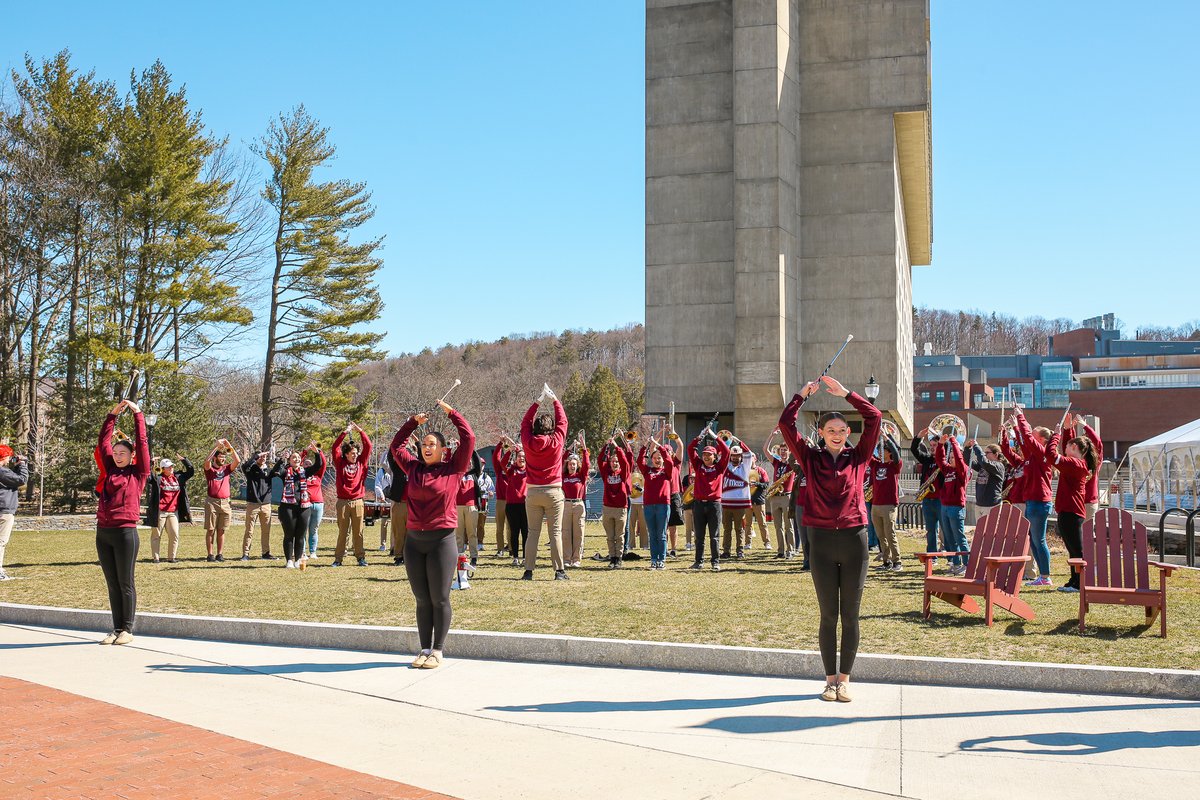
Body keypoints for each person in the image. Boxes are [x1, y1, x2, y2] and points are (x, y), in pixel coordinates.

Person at [778, 375, 881, 703]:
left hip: (855, 541)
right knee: (828, 615)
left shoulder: (859, 457)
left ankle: (845, 681)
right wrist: (802, 396)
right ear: (821, 434)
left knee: (850, 615)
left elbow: (875, 417)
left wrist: (847, 394)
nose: (836, 435)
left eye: (841, 431)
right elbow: (785, 422)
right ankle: (828, 681)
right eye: (830, 431)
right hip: (820, 542)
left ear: (847, 434)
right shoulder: (810, 458)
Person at [390, 400, 475, 669]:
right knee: (422, 599)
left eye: (432, 445)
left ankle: (438, 650)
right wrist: (412, 423)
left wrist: (452, 413)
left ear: (443, 450)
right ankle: (424, 648)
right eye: (424, 445)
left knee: (439, 598)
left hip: (441, 541)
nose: (427, 448)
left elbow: (469, 437)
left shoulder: (453, 468)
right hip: (414, 542)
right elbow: (396, 447)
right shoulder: (412, 468)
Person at [95, 400, 151, 645]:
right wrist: (112, 416)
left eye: (123, 454)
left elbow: (142, 443)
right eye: (116, 453)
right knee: (111, 583)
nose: (117, 456)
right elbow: (103, 442)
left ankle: (127, 629)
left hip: (125, 532)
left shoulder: (138, 473)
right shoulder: (109, 469)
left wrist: (138, 414)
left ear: (131, 456)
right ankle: (116, 629)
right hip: (103, 532)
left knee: (125, 581)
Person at [519, 385, 569, 581]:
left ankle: (528, 571)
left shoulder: (528, 441)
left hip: (532, 492)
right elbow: (563, 421)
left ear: (535, 428)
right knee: (554, 532)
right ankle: (559, 571)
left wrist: (537, 401)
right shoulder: (556, 441)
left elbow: (524, 422)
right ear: (551, 428)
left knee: (532, 533)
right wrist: (555, 400)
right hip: (554, 491)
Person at [1048, 423, 1099, 593]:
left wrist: (1055, 435)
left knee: (1077, 549)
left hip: (1072, 512)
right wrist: (1067, 430)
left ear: (1075, 447)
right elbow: (1062, 451)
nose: (1065, 448)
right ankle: (1073, 580)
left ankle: (1080, 583)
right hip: (1067, 510)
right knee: (1072, 548)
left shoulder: (1076, 464)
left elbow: (1050, 454)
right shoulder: (1074, 463)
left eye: (1068, 446)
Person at [1013, 408, 1054, 586]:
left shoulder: (1043, 453)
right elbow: (1024, 442)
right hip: (1031, 501)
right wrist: (1017, 427)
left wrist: (1021, 417)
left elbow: (1027, 438)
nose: (1031, 437)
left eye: (1034, 434)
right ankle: (1042, 576)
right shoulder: (1031, 456)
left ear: (1042, 440)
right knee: (1034, 540)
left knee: (1039, 539)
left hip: (1039, 501)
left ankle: (1045, 576)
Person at [687, 430, 730, 571]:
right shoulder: (698, 465)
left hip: (714, 505)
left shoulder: (720, 467)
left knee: (714, 536)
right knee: (699, 536)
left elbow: (726, 452)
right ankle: (698, 562)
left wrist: (714, 436)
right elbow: (690, 449)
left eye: (709, 454)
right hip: (699, 504)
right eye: (704, 454)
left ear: (714, 456)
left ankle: (715, 562)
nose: (706, 457)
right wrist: (699, 437)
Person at [332, 422, 372, 567]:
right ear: (346, 454)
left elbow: (369, 446)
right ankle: (338, 559)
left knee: (358, 532)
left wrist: (360, 430)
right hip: (342, 501)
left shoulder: (362, 462)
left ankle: (360, 557)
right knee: (343, 532)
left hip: (358, 501)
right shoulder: (340, 463)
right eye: (352, 453)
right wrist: (345, 431)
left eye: (356, 453)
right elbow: (335, 447)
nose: (355, 455)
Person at [145, 457, 195, 564]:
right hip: (160, 511)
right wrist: (151, 463)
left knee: (174, 535)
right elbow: (147, 476)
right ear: (163, 469)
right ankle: (156, 558)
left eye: (172, 466)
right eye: (168, 467)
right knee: (156, 535)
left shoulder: (178, 477)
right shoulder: (157, 478)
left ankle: (171, 557)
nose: (171, 468)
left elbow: (191, 472)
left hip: (173, 512)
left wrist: (184, 460)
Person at [933, 430, 969, 575]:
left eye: (954, 457)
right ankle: (955, 564)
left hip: (956, 508)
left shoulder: (963, 470)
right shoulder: (947, 470)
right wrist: (941, 444)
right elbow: (940, 460)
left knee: (960, 537)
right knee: (950, 538)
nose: (952, 459)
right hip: (945, 507)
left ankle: (967, 564)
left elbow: (960, 461)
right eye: (951, 457)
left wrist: (954, 442)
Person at [271, 448, 314, 569]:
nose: (296, 459)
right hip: (287, 507)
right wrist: (281, 459)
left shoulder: (304, 472)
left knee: (300, 535)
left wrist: (317, 452)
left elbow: (319, 465)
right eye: (293, 457)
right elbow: (275, 471)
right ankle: (289, 560)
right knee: (289, 534)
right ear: (290, 460)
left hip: (303, 507)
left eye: (298, 458)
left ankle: (298, 559)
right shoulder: (285, 472)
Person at [638, 437, 677, 570]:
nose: (657, 459)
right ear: (651, 459)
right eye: (655, 457)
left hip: (662, 505)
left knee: (661, 534)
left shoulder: (667, 471)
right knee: (652, 534)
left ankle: (662, 560)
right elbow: (639, 460)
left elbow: (670, 462)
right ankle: (654, 559)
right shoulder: (647, 470)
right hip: (649, 505)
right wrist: (646, 445)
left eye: (659, 457)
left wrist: (660, 448)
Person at [869, 436, 903, 571]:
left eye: (883, 450)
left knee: (890, 534)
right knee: (881, 535)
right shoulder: (876, 465)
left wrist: (887, 438)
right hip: (876, 505)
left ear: (889, 452)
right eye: (879, 450)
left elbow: (897, 455)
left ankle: (897, 561)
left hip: (889, 505)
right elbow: (866, 453)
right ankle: (886, 561)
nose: (880, 453)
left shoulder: (894, 466)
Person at [203, 439, 240, 562]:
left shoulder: (226, 469)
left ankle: (220, 554)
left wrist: (229, 446)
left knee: (221, 530)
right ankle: (210, 554)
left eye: (224, 457)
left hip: (225, 503)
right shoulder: (210, 470)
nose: (223, 459)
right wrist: (216, 446)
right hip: (212, 502)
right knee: (211, 529)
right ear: (215, 458)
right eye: (220, 457)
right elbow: (206, 461)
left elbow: (237, 461)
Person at [598, 436, 632, 568]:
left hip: (621, 508)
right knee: (610, 536)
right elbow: (600, 460)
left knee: (619, 535)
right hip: (608, 507)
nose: (615, 463)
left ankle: (619, 558)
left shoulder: (624, 473)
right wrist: (606, 447)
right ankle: (612, 557)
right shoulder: (606, 473)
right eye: (612, 461)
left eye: (616, 461)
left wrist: (617, 448)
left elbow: (624, 461)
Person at [495, 439, 528, 567]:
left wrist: (525, 449)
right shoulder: (511, 470)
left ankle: (525, 556)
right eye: (519, 456)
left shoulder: (528, 469)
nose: (522, 459)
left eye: (523, 457)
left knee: (525, 532)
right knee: (514, 532)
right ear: (516, 458)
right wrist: (511, 450)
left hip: (525, 505)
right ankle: (515, 557)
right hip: (512, 505)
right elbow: (502, 463)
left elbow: (532, 461)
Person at [910, 432, 943, 562]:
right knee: (930, 530)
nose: (932, 448)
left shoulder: (943, 460)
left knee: (946, 530)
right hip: (927, 499)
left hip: (941, 500)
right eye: (931, 445)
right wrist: (918, 438)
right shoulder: (927, 459)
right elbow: (914, 450)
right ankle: (932, 556)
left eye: (935, 445)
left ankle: (951, 557)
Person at [720, 441, 755, 559]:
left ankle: (740, 550)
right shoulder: (725, 466)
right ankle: (726, 551)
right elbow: (719, 455)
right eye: (733, 455)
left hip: (740, 503)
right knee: (726, 529)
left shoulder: (745, 466)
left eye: (738, 455)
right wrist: (725, 441)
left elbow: (749, 453)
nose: (735, 457)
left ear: (741, 456)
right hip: (726, 502)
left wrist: (740, 442)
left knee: (739, 529)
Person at [0, 445, 30, 580]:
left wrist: (18, 466)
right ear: (4, 457)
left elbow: (12, 478)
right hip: (4, 511)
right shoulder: (2, 472)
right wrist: (22, 465)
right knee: (1, 541)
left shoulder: (4, 472)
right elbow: (21, 480)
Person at [763, 437, 795, 559]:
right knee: (777, 526)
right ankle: (780, 551)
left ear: (789, 451)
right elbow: (765, 449)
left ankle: (790, 550)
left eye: (785, 450)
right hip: (775, 496)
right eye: (781, 450)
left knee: (789, 526)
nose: (783, 452)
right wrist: (771, 435)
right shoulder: (777, 462)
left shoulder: (792, 463)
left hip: (786, 496)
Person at [241, 450, 276, 561]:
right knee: (249, 531)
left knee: (266, 531)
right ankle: (245, 554)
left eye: (265, 456)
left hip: (266, 505)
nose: (263, 458)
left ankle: (265, 553)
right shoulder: (251, 470)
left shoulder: (268, 471)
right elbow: (244, 466)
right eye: (261, 456)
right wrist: (256, 456)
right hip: (253, 504)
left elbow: (279, 469)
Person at [561, 439, 590, 568]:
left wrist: (584, 448)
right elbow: (561, 459)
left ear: (577, 465)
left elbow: (587, 464)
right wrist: (571, 446)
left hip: (579, 505)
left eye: (574, 464)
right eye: (570, 464)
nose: (572, 466)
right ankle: (567, 559)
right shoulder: (563, 476)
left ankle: (576, 559)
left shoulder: (581, 476)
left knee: (578, 533)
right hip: (566, 505)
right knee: (566, 533)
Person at [454, 449, 483, 565]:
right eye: (467, 462)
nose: (469, 464)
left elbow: (478, 463)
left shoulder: (473, 474)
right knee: (459, 534)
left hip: (471, 507)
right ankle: (459, 556)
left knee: (472, 533)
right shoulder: (456, 474)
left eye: (470, 462)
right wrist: (458, 449)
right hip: (457, 507)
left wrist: (471, 449)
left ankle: (474, 556)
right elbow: (453, 461)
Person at [966, 439, 1005, 519]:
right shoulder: (983, 465)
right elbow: (969, 462)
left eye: (987, 453)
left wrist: (976, 446)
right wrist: (967, 448)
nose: (984, 455)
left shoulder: (999, 466)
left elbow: (984, 462)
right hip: (979, 504)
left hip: (992, 505)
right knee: (980, 530)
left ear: (996, 454)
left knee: (990, 530)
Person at [384, 446, 409, 565]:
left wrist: (418, 444)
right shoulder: (397, 469)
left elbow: (421, 457)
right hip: (399, 504)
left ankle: (409, 556)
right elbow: (390, 457)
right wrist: (394, 445)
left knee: (412, 534)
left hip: (413, 506)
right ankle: (398, 556)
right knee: (399, 532)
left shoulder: (416, 469)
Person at [304, 446, 327, 560]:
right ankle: (302, 552)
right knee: (303, 529)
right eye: (306, 464)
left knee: (313, 529)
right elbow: (296, 461)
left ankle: (313, 552)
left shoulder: (318, 475)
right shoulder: (302, 475)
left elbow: (323, 463)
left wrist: (318, 451)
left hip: (318, 504)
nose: (308, 465)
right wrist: (306, 451)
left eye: (310, 464)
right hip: (305, 504)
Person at [374, 461, 392, 552]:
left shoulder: (395, 469)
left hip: (395, 499)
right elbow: (377, 485)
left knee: (396, 523)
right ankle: (383, 544)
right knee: (384, 522)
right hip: (385, 500)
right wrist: (381, 495)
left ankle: (394, 545)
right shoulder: (381, 471)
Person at [476, 469, 494, 555]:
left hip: (483, 502)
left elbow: (492, 491)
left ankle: (480, 543)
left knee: (481, 524)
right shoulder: (471, 475)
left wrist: (491, 494)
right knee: (468, 524)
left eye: (482, 464)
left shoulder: (487, 477)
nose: (481, 466)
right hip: (472, 501)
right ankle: (465, 543)